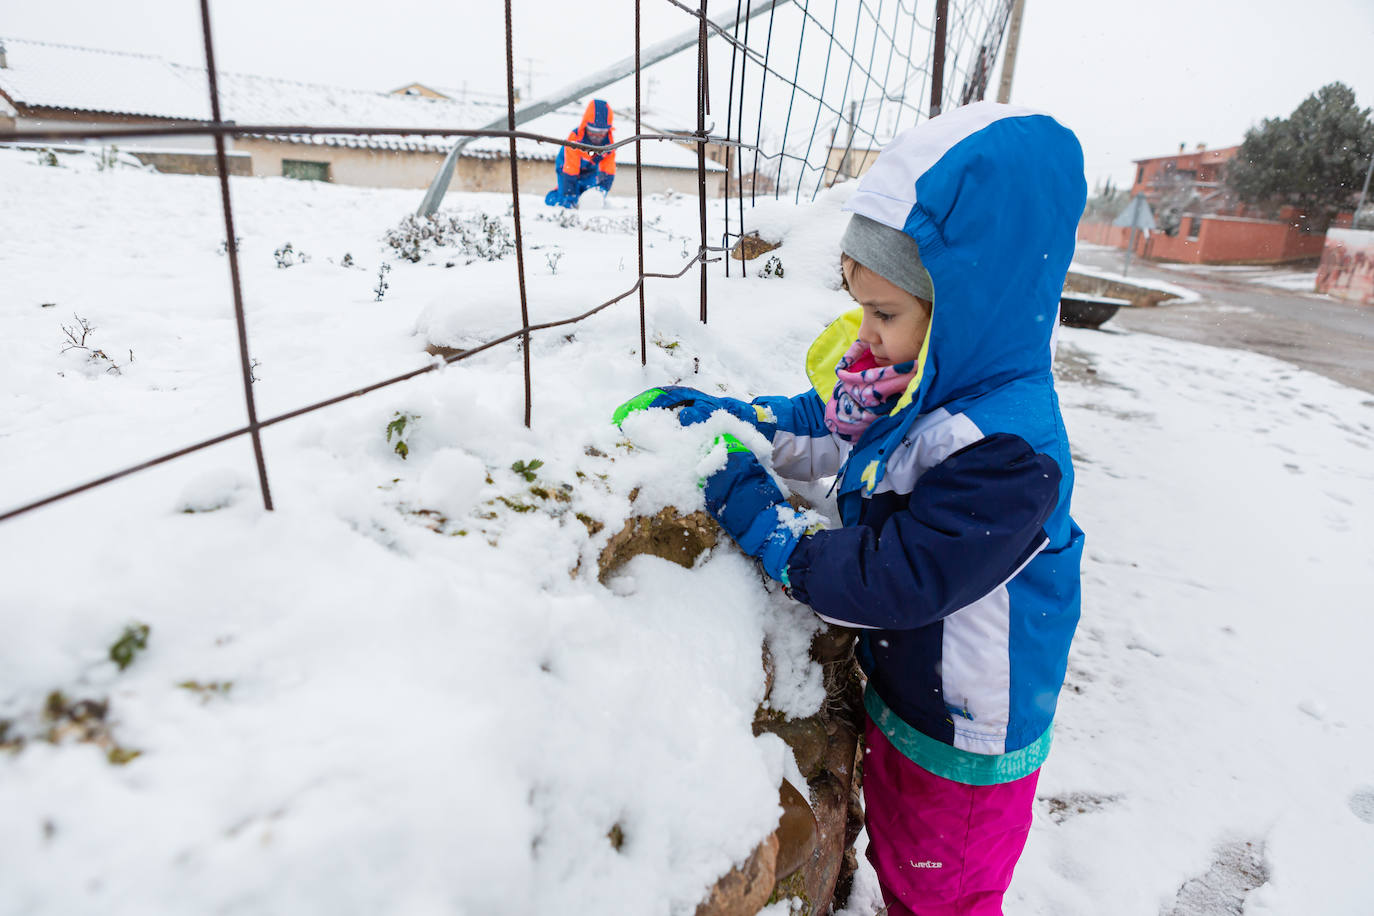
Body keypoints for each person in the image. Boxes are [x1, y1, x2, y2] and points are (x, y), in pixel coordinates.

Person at [614, 102, 1087, 915]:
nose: (863, 338)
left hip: (966, 737)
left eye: (886, 314)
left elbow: (894, 579)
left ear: (974, 309)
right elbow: (824, 425)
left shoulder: (1010, 455)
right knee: (901, 854)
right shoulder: (916, 372)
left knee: (942, 891)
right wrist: (734, 420)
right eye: (859, 306)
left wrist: (772, 528)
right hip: (911, 693)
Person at [544, 99, 615, 209]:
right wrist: (569, 195)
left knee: (587, 194)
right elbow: (570, 169)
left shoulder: (608, 144)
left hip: (590, 170)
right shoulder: (575, 138)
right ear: (585, 126)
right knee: (568, 198)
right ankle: (554, 197)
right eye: (592, 131)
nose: (596, 137)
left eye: (601, 133)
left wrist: (601, 190)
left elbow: (608, 170)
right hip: (566, 167)